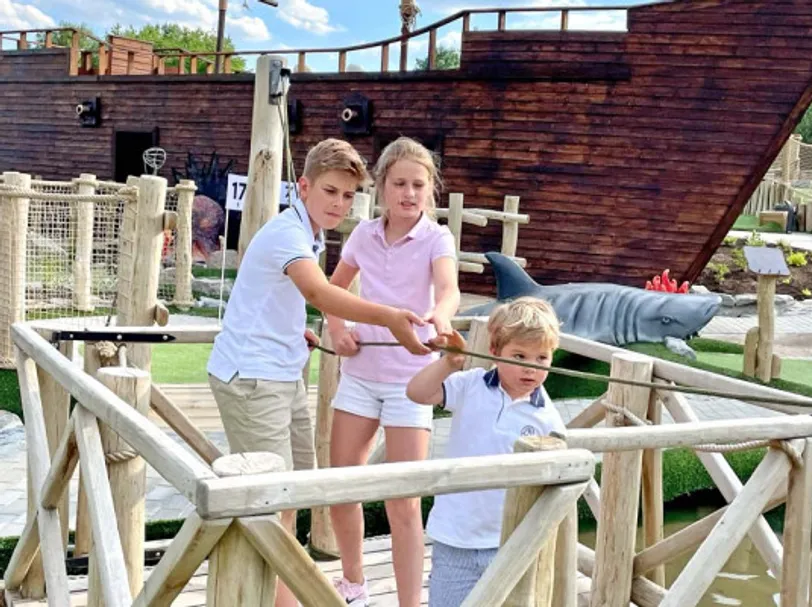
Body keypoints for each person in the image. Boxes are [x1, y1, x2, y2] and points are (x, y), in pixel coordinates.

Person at [206, 138, 430, 607]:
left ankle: (284, 595)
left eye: (348, 196)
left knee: (294, 493)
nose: (339, 204)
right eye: (330, 191)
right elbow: (319, 293)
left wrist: (296, 334)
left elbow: (280, 298)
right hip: (251, 376)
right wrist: (390, 316)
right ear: (303, 186)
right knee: (272, 502)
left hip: (283, 371)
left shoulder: (312, 230)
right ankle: (284, 600)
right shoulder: (288, 233)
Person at [326, 137, 460, 607]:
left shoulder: (437, 238)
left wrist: (441, 317)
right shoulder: (362, 234)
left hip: (411, 381)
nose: (409, 193)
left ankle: (409, 603)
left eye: (418, 185)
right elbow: (332, 290)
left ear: (431, 189)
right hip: (360, 373)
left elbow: (448, 290)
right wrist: (338, 329)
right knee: (342, 485)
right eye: (399, 183)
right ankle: (355, 586)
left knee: (403, 500)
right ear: (381, 185)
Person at [406, 297, 566, 607]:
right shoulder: (470, 386)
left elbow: (557, 483)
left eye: (541, 358)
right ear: (494, 351)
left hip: (510, 541)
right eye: (519, 355)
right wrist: (448, 363)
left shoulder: (549, 419)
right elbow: (417, 393)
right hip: (456, 538)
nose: (530, 368)